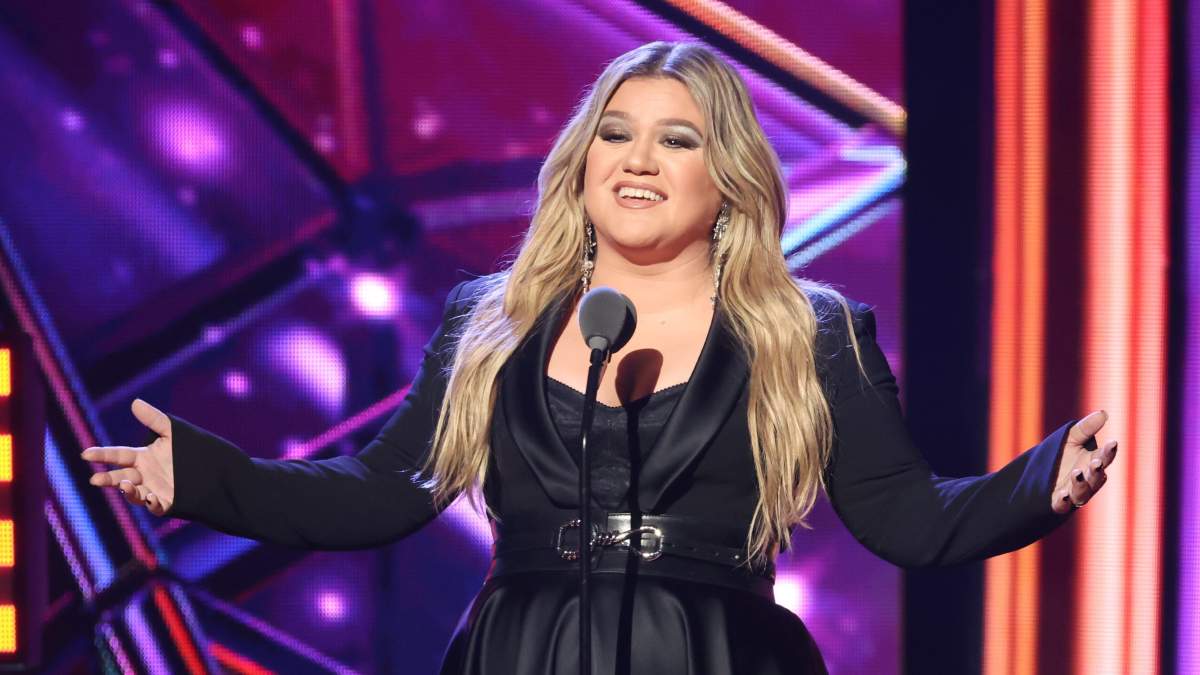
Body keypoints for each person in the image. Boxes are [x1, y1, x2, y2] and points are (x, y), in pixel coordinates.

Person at [81, 41, 1118, 674]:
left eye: (678, 139)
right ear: (580, 165)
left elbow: (906, 516)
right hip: (524, 648)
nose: (638, 159)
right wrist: (207, 479)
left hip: (716, 652)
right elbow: (380, 491)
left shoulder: (810, 328)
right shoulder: (491, 320)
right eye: (615, 134)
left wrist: (1037, 485)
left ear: (729, 178)